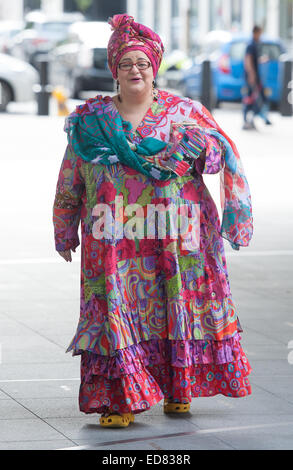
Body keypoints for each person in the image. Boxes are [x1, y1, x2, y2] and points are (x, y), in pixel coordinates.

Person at [53, 14, 253, 428]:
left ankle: (178, 388)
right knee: (116, 312)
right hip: (114, 239)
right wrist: (63, 227)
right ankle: (118, 401)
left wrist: (199, 149)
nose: (135, 70)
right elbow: (70, 177)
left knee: (175, 306)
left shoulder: (186, 113)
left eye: (142, 62)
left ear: (154, 67)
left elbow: (219, 159)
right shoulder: (92, 122)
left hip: (178, 235)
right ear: (114, 70)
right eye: (125, 63)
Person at [242, 25, 272, 129]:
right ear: (255, 33)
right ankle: (247, 120)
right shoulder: (251, 45)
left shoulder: (255, 44)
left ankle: (251, 120)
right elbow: (248, 60)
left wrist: (262, 59)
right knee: (252, 98)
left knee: (255, 98)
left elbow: (253, 60)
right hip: (252, 77)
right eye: (260, 33)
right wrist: (251, 75)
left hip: (255, 77)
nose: (260, 35)